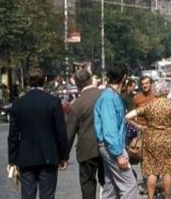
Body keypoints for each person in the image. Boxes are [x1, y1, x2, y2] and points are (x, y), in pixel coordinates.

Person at [125, 80, 171, 199]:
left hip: (151, 139)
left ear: (155, 91)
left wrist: (139, 126)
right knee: (167, 171)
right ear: (166, 90)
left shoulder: (149, 105)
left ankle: (151, 197)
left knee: (152, 172)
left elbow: (128, 116)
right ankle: (167, 197)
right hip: (168, 138)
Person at [8, 67, 69, 199]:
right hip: (49, 156)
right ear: (45, 80)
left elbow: (13, 135)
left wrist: (12, 160)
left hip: (25, 157)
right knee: (47, 195)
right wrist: (64, 156)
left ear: (28, 81)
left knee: (27, 195)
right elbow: (61, 132)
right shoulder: (53, 102)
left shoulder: (18, 103)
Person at [94, 63, 138, 198]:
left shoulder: (112, 95)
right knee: (130, 185)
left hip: (110, 147)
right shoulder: (109, 98)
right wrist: (119, 154)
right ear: (124, 78)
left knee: (111, 186)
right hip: (113, 147)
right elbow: (110, 129)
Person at [66, 69, 104, 199]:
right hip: (106, 145)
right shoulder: (104, 95)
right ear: (90, 80)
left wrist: (63, 156)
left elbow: (69, 132)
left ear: (77, 84)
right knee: (108, 182)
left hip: (86, 150)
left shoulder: (77, 104)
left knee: (87, 183)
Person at [131, 76, 155, 194]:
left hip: (155, 130)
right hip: (142, 131)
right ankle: (146, 183)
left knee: (155, 156)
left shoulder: (156, 97)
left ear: (151, 84)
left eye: (147, 83)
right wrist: (137, 125)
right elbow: (132, 115)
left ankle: (155, 182)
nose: (145, 85)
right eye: (143, 83)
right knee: (143, 157)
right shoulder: (137, 98)